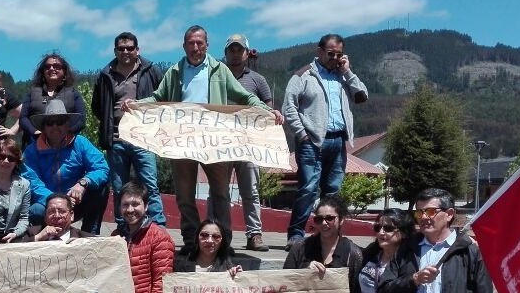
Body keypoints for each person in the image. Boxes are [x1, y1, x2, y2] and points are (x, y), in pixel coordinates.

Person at [127, 25, 276, 253]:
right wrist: (137, 105)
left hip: (214, 143)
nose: (195, 47)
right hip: (182, 142)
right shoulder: (175, 71)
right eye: (191, 43)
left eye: (199, 43)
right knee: (184, 195)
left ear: (207, 45)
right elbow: (158, 98)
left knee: (221, 194)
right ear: (184, 46)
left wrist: (266, 111)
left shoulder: (219, 70)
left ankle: (223, 241)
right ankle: (190, 240)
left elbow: (244, 96)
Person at [284, 34, 369, 250]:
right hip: (312, 142)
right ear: (319, 51)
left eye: (339, 54)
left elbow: (362, 96)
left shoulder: (343, 76)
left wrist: (347, 71)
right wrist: (302, 135)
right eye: (330, 54)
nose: (334, 58)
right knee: (308, 189)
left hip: (338, 140)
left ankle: (329, 236)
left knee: (333, 191)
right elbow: (289, 107)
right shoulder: (304, 75)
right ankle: (295, 235)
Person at [91, 31, 166, 229]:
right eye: (121, 48)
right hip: (116, 139)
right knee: (118, 188)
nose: (125, 51)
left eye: (130, 48)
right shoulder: (105, 74)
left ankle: (158, 228)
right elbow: (97, 106)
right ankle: (123, 229)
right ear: (115, 51)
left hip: (144, 138)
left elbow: (163, 100)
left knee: (150, 186)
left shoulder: (151, 71)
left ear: (137, 50)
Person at [223, 34, 283, 252]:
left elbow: (268, 107)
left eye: (240, 50)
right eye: (232, 49)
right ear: (226, 53)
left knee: (251, 190)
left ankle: (254, 235)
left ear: (247, 53)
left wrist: (273, 114)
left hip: (249, 144)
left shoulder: (258, 80)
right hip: (219, 142)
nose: (236, 53)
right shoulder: (216, 77)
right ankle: (220, 235)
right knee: (218, 190)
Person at [21, 100, 109, 234]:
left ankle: (90, 235)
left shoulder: (81, 143)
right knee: (35, 211)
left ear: (67, 124)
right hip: (47, 204)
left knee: (101, 190)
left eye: (60, 121)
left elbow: (102, 168)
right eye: (50, 123)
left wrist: (83, 182)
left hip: (76, 202)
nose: (55, 126)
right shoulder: (31, 151)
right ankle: (41, 241)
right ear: (44, 127)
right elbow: (32, 183)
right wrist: (58, 202)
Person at [19, 53, 86, 150]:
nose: (51, 69)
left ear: (64, 71)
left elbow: (81, 119)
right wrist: (35, 132)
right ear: (43, 72)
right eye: (47, 66)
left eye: (57, 66)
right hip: (34, 145)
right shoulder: (32, 93)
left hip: (66, 147)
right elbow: (23, 118)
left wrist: (64, 134)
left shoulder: (73, 93)